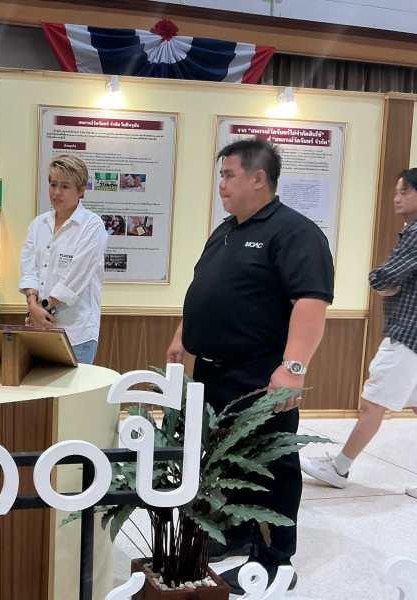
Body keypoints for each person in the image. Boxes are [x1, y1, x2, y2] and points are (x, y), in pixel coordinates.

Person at [165, 138, 334, 592]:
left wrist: (293, 367)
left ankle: (275, 561)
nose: (221, 184)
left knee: (268, 466)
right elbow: (206, 289)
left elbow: (311, 302)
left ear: (259, 178)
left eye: (229, 175)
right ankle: (237, 533)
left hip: (259, 374)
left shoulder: (294, 232)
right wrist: (183, 337)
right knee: (225, 460)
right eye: (221, 176)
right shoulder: (225, 230)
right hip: (214, 371)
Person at [301, 168, 417, 498]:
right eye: (396, 191)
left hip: (407, 336)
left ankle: (338, 468)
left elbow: (383, 277)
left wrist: (381, 281)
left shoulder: (414, 234)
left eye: (404, 191)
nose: (396, 197)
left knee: (372, 403)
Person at [19, 155, 108, 365]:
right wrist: (32, 305)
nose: (57, 192)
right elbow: (29, 269)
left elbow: (76, 277)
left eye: (65, 186)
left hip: (76, 334)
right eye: (53, 184)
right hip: (39, 328)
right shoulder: (38, 224)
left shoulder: (92, 226)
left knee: (72, 387)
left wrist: (43, 308)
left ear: (81, 191)